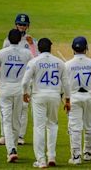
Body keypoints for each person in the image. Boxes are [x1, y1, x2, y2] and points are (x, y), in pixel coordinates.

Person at [22, 38, 71, 168]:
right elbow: (66, 83)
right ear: (51, 47)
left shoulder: (34, 61)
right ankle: (52, 156)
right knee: (52, 126)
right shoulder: (59, 63)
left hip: (39, 96)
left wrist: (25, 93)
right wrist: (67, 100)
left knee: (39, 127)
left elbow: (25, 81)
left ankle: (41, 160)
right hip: (54, 96)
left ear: (38, 48)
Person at [0, 29, 33, 163]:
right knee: (16, 119)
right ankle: (13, 148)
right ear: (19, 40)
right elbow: (34, 67)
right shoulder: (27, 53)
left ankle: (11, 150)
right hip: (19, 90)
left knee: (6, 120)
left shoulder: (1, 53)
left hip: (5, 90)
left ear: (8, 39)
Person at [0, 13, 38, 146]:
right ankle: (4, 135)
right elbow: (1, 61)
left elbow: (36, 59)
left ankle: (20, 135)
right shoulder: (7, 41)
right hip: (8, 79)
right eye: (20, 24)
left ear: (28, 26)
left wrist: (31, 44)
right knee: (5, 109)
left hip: (24, 80)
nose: (22, 27)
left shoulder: (32, 41)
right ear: (16, 25)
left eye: (24, 25)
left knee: (23, 108)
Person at [65, 36, 91, 164]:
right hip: (89, 96)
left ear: (73, 48)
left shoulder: (67, 65)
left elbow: (64, 85)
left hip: (74, 97)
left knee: (75, 127)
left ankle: (76, 156)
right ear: (86, 48)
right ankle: (88, 152)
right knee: (90, 125)